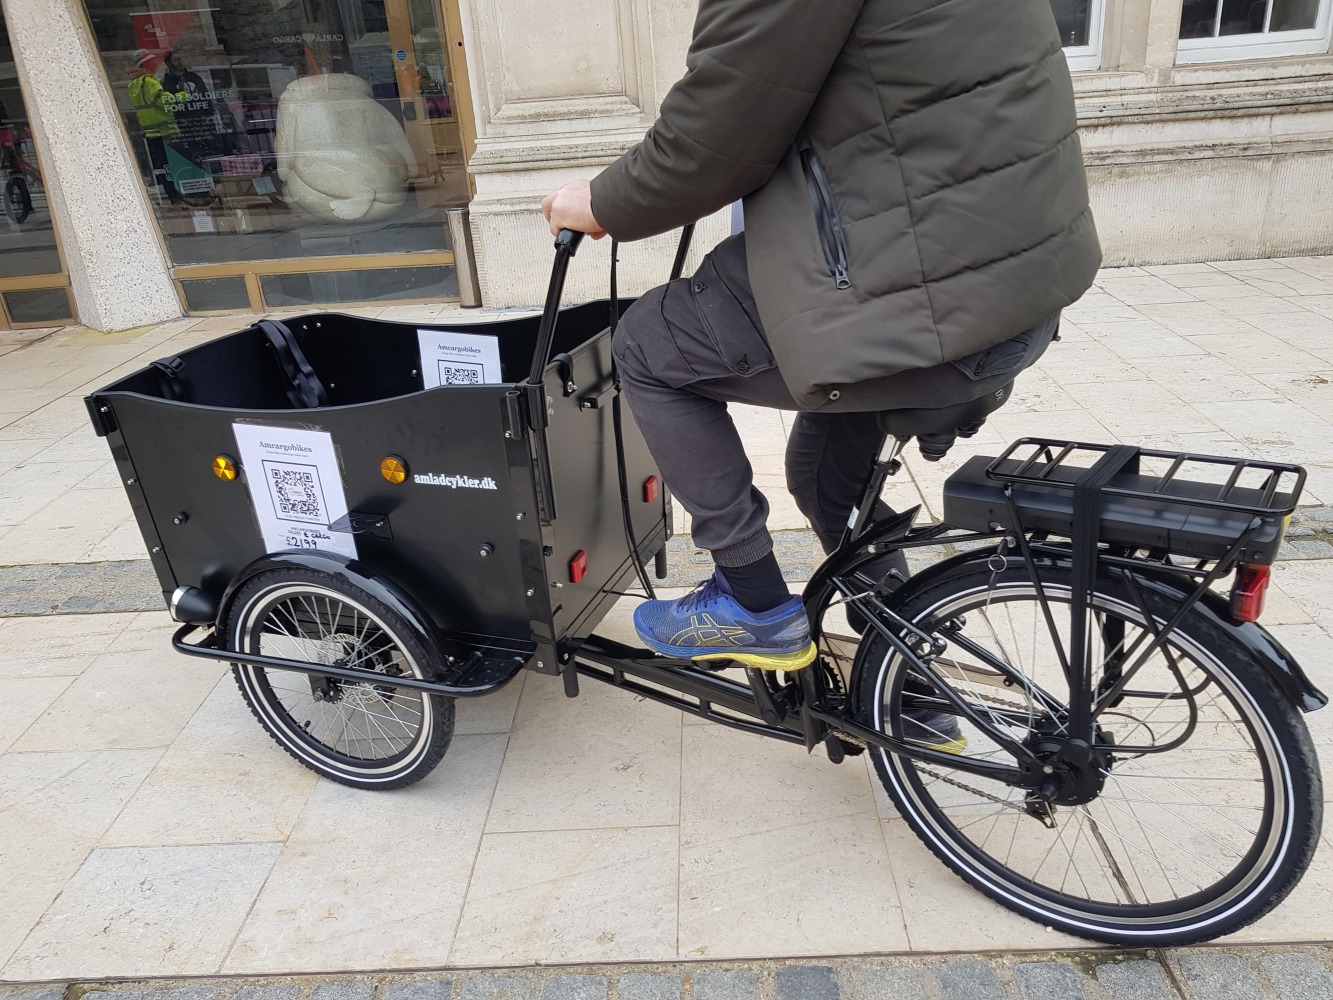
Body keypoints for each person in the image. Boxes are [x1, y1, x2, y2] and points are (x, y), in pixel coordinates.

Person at [542, 0, 1102, 740]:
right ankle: (917, 679)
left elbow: (713, 136)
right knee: (819, 475)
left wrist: (601, 201)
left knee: (647, 343)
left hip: (923, 295)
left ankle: (751, 602)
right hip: (1004, 287)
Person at [128, 49, 182, 204]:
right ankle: (176, 195)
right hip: (164, 130)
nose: (154, 64)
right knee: (171, 164)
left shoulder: (134, 84)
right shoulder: (150, 82)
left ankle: (171, 194)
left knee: (162, 166)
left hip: (151, 131)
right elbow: (163, 101)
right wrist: (182, 96)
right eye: (151, 61)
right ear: (145, 63)